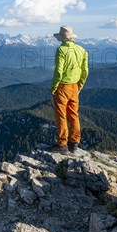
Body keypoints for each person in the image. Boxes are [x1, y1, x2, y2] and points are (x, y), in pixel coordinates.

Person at [48, 26, 88, 154]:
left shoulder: (61, 50)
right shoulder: (82, 50)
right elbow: (85, 71)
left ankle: (62, 144)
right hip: (75, 86)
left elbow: (58, 71)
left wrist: (54, 87)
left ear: (61, 38)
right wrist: (80, 85)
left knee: (61, 116)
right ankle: (74, 142)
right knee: (73, 114)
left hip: (63, 87)